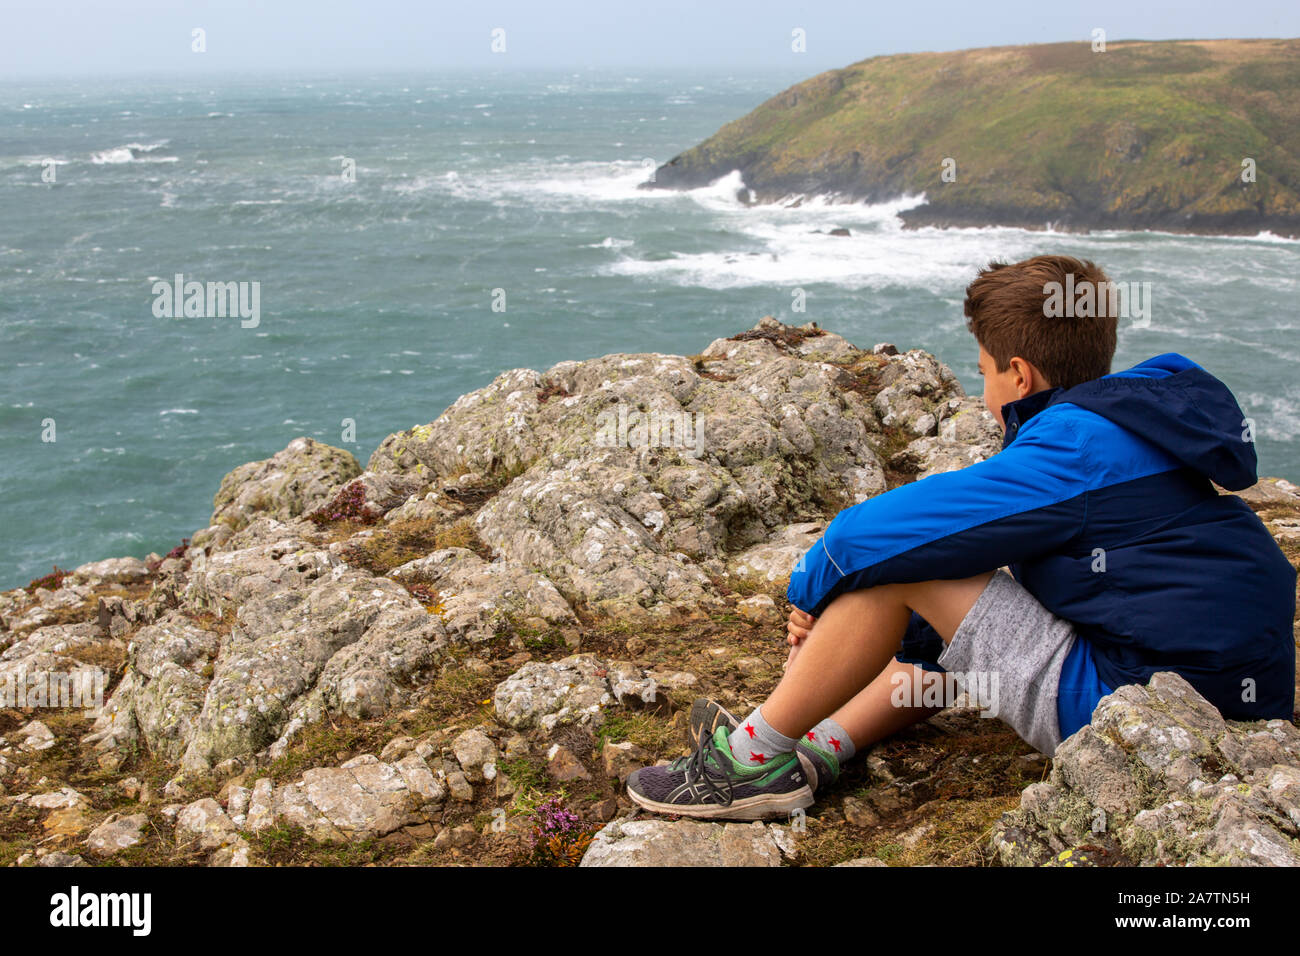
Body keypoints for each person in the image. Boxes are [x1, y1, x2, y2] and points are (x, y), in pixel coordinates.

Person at [625, 254, 1297, 820]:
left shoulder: (1076, 448)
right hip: (1226, 696)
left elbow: (871, 536)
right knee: (952, 598)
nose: (982, 390)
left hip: (1146, 712)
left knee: (901, 570)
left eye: (983, 371)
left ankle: (750, 762)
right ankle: (818, 747)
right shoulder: (1135, 423)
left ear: (1020, 376)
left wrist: (809, 594)